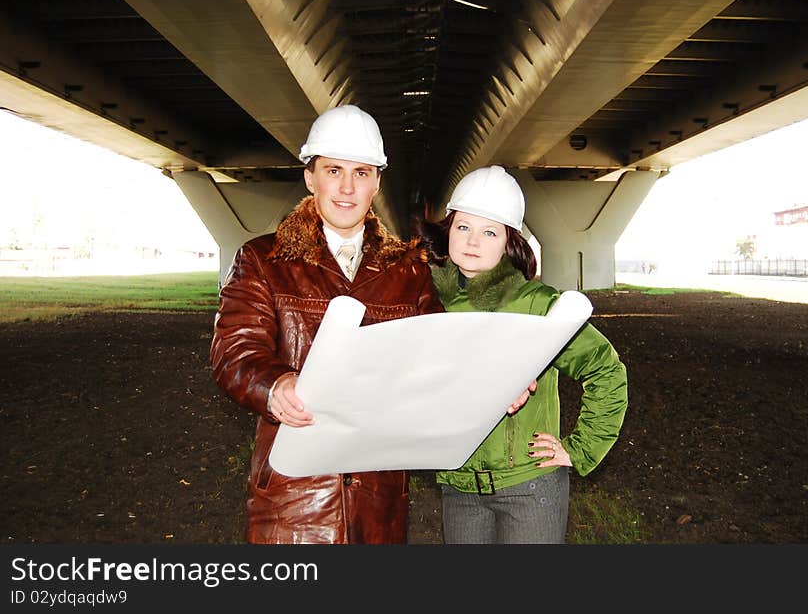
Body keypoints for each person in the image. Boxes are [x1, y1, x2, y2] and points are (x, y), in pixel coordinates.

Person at [210, 104, 445, 544]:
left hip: (381, 501)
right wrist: (275, 385)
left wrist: (495, 378)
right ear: (310, 177)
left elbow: (440, 357)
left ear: (377, 182)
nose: (346, 187)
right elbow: (235, 353)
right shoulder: (264, 259)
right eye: (333, 170)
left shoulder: (409, 271)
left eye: (361, 172)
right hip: (294, 502)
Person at [417, 165, 628, 544]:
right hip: (459, 485)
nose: (473, 241)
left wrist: (581, 447)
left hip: (531, 486)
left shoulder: (539, 305)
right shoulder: (426, 300)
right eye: (464, 227)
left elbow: (605, 369)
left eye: (490, 231)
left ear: (508, 241)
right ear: (448, 229)